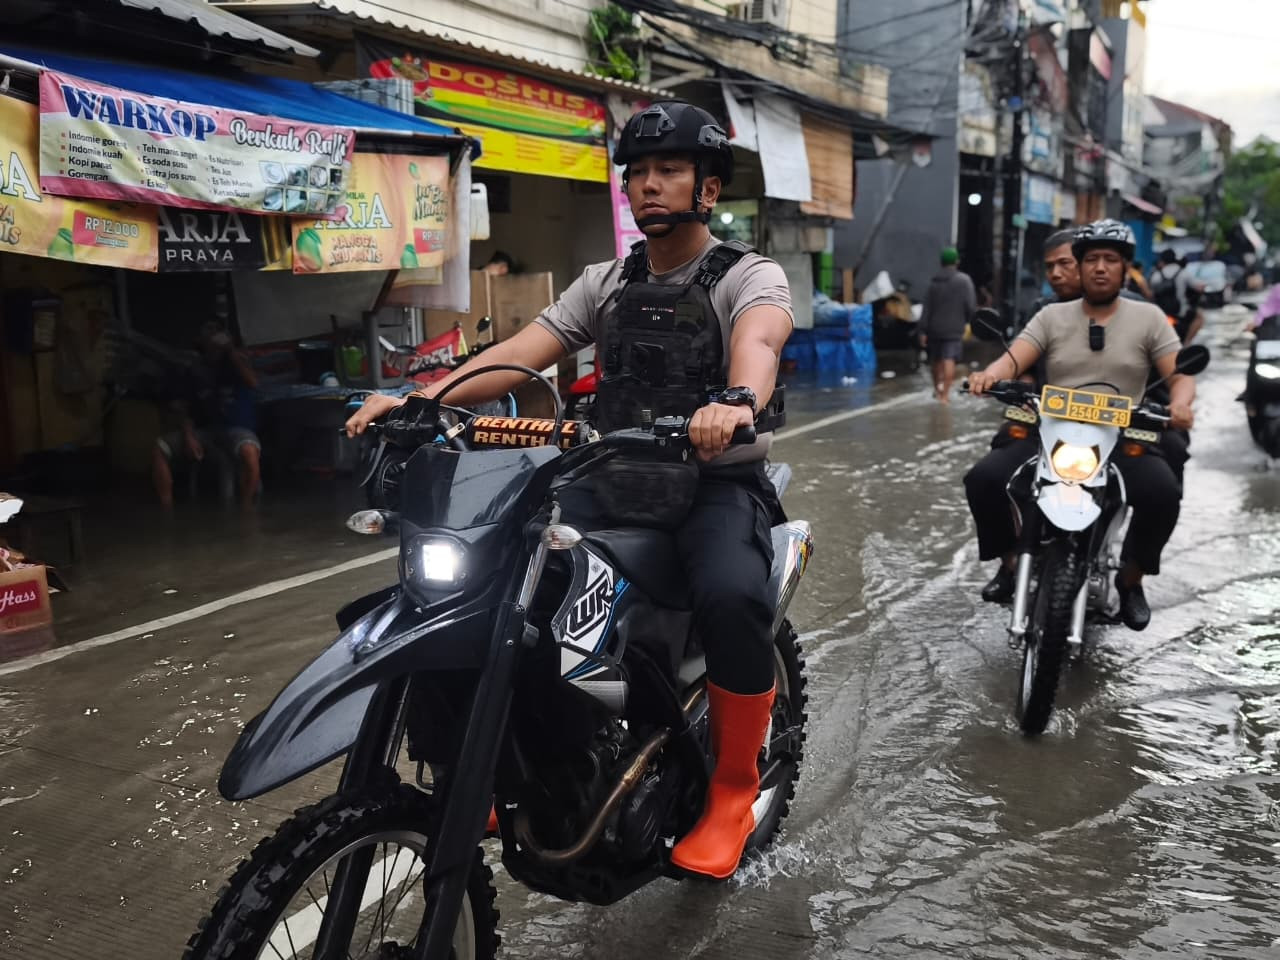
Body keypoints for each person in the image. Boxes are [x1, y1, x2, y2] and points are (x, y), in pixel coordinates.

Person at [346, 100, 793, 880]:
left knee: (732, 597)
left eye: (669, 171)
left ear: (708, 189)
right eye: (639, 174)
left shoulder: (748, 275)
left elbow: (759, 339)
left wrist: (737, 403)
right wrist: (422, 403)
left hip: (712, 488)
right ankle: (494, 759)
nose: (649, 186)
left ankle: (730, 789)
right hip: (609, 476)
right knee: (493, 577)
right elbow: (521, 352)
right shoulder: (608, 280)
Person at [964, 220, 1196, 631]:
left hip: (1122, 437)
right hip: (1051, 431)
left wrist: (1180, 403)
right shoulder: (1051, 316)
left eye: (1111, 260)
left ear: (1126, 269)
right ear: (1081, 266)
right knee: (984, 478)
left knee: (1162, 492)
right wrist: (988, 376)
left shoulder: (1149, 318)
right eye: (1092, 260)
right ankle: (1011, 561)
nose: (1101, 268)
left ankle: (1131, 579)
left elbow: (1179, 374)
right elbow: (1013, 359)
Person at [153, 322, 261, 509]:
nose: (212, 335)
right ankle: (167, 510)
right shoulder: (195, 369)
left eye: (216, 331)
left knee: (250, 452)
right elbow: (184, 405)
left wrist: (230, 350)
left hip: (236, 429)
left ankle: (247, 509)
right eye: (207, 331)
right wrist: (188, 434)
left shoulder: (237, 361)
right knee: (159, 448)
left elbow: (252, 382)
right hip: (205, 430)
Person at [917, 246, 976, 403]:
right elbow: (970, 306)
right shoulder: (964, 281)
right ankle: (945, 395)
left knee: (936, 360)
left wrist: (922, 330)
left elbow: (926, 308)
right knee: (949, 359)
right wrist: (972, 323)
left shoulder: (933, 282)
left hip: (934, 328)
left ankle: (938, 390)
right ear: (956, 261)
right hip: (954, 328)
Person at [1150, 248, 1204, 345]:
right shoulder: (1183, 273)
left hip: (1161, 313)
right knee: (1199, 317)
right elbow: (1198, 287)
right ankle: (1187, 343)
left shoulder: (1156, 275)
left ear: (1162, 260)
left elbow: (1151, 293)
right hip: (1181, 313)